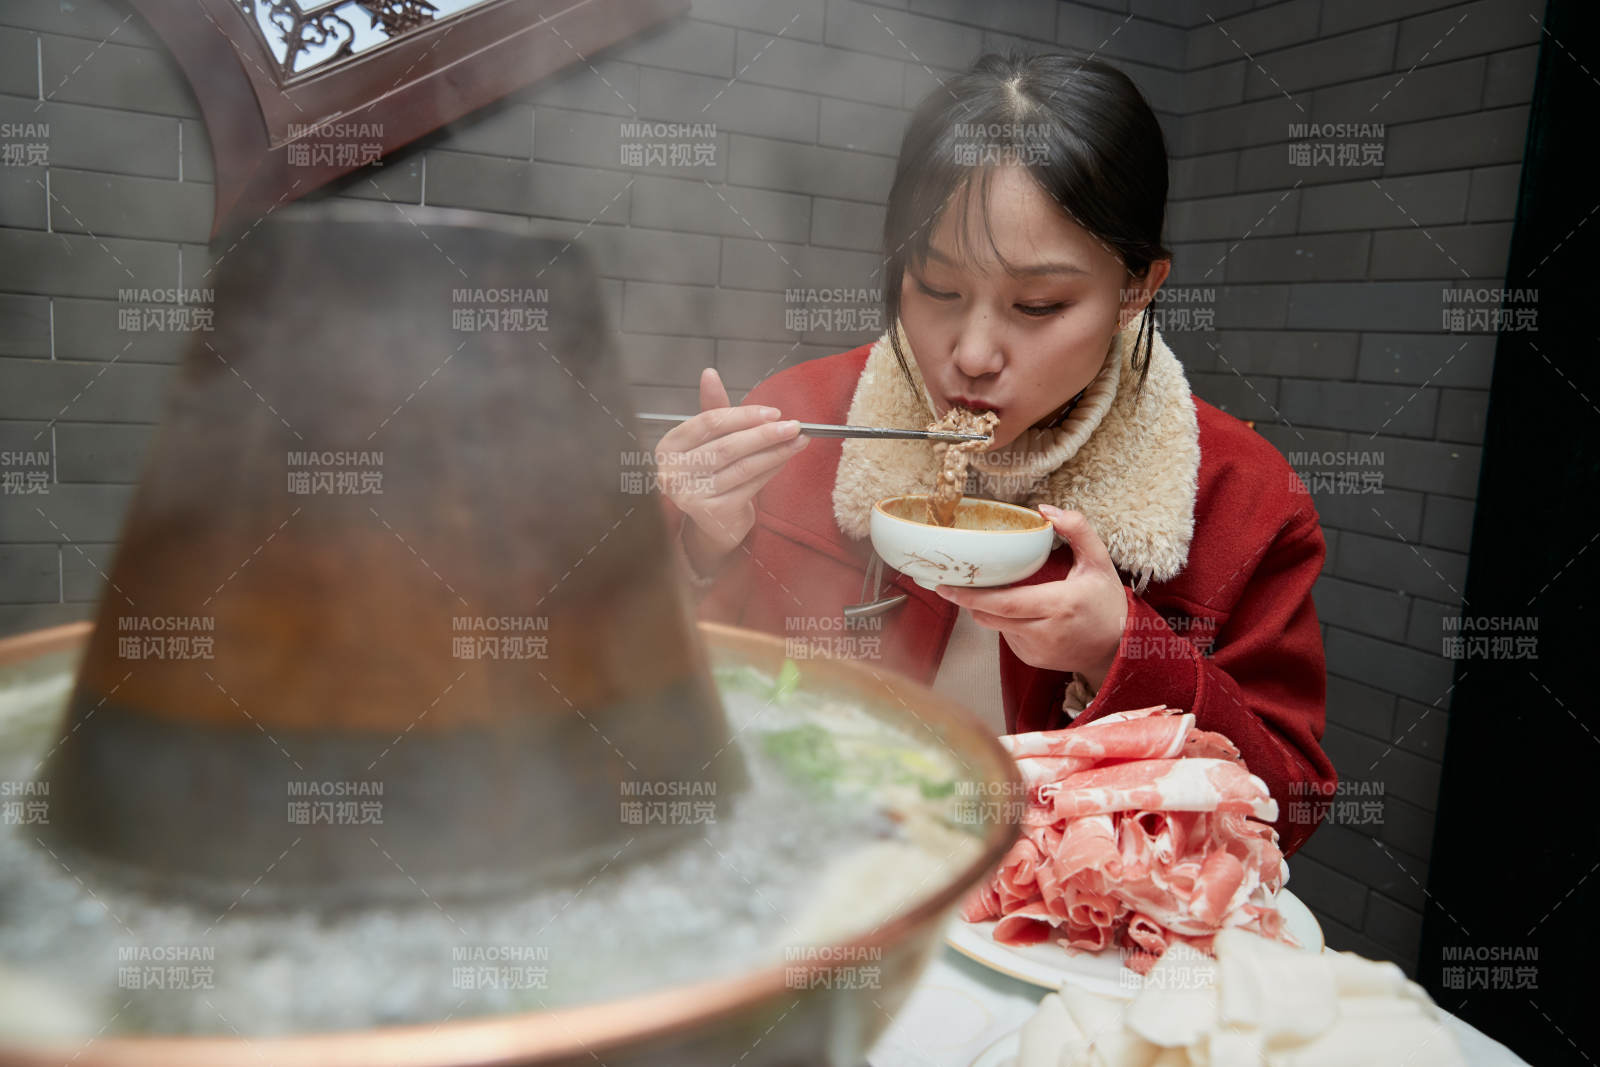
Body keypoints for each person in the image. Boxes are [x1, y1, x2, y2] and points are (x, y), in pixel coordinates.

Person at [655, 52, 1335, 856]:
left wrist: (1122, 651)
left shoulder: (1241, 497)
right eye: (938, 289)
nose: (973, 354)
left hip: (1058, 918)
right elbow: (656, 698)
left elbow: (1283, 810)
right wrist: (696, 544)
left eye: (1038, 304)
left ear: (1136, 290)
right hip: (818, 872)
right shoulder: (800, 420)